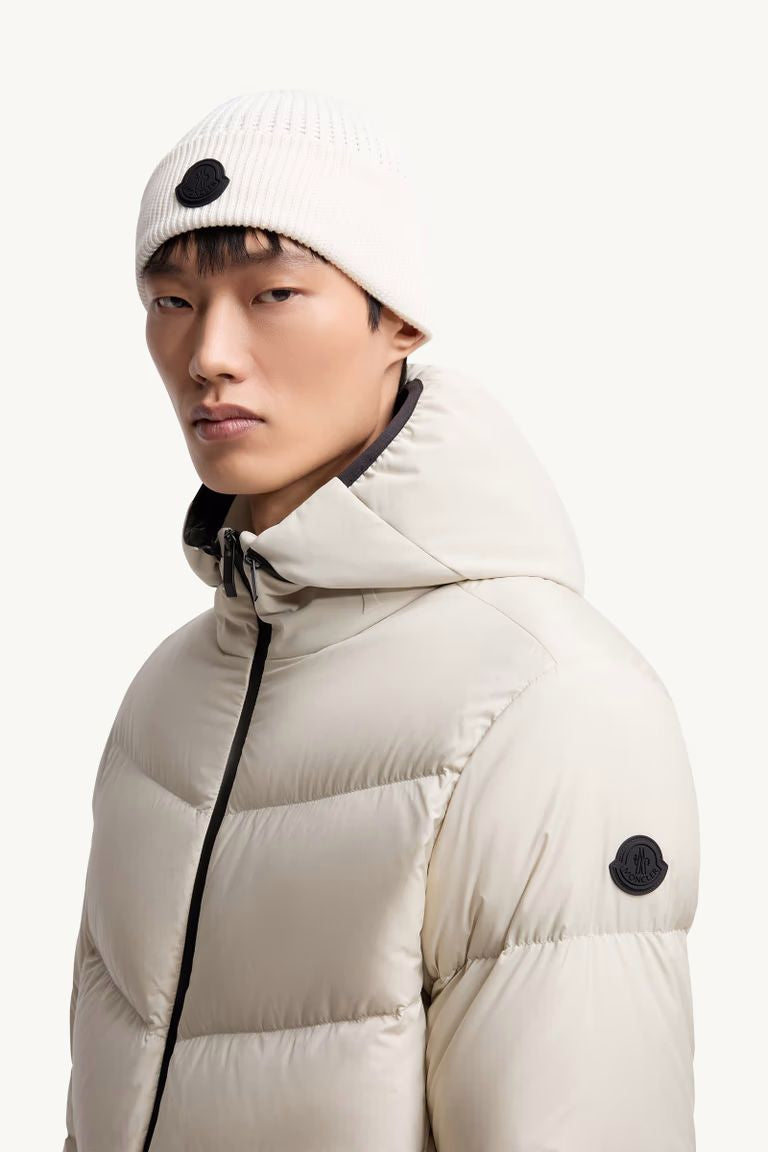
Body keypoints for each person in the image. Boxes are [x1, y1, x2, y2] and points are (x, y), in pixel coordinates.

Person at [61, 88, 700, 1152]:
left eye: (273, 293)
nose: (208, 353)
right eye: (172, 301)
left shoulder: (552, 702)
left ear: (397, 319)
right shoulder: (167, 698)